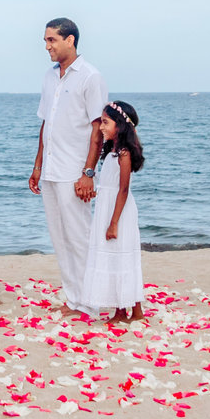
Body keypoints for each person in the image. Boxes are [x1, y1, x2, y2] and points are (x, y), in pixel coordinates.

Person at [29, 19, 109, 314]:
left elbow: (97, 128)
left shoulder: (90, 77)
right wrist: (37, 165)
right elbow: (46, 123)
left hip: (74, 171)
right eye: (46, 41)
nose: (47, 46)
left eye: (52, 40)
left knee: (80, 237)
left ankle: (93, 302)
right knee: (60, 238)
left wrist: (88, 173)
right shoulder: (50, 77)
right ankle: (75, 300)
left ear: (70, 40)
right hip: (51, 168)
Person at [82, 100, 147, 323]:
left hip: (119, 212)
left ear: (119, 125)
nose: (101, 126)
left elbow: (123, 189)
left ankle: (132, 311)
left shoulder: (124, 154)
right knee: (114, 259)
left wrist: (114, 222)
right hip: (108, 207)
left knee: (123, 257)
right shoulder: (112, 152)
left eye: (106, 122)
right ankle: (122, 310)